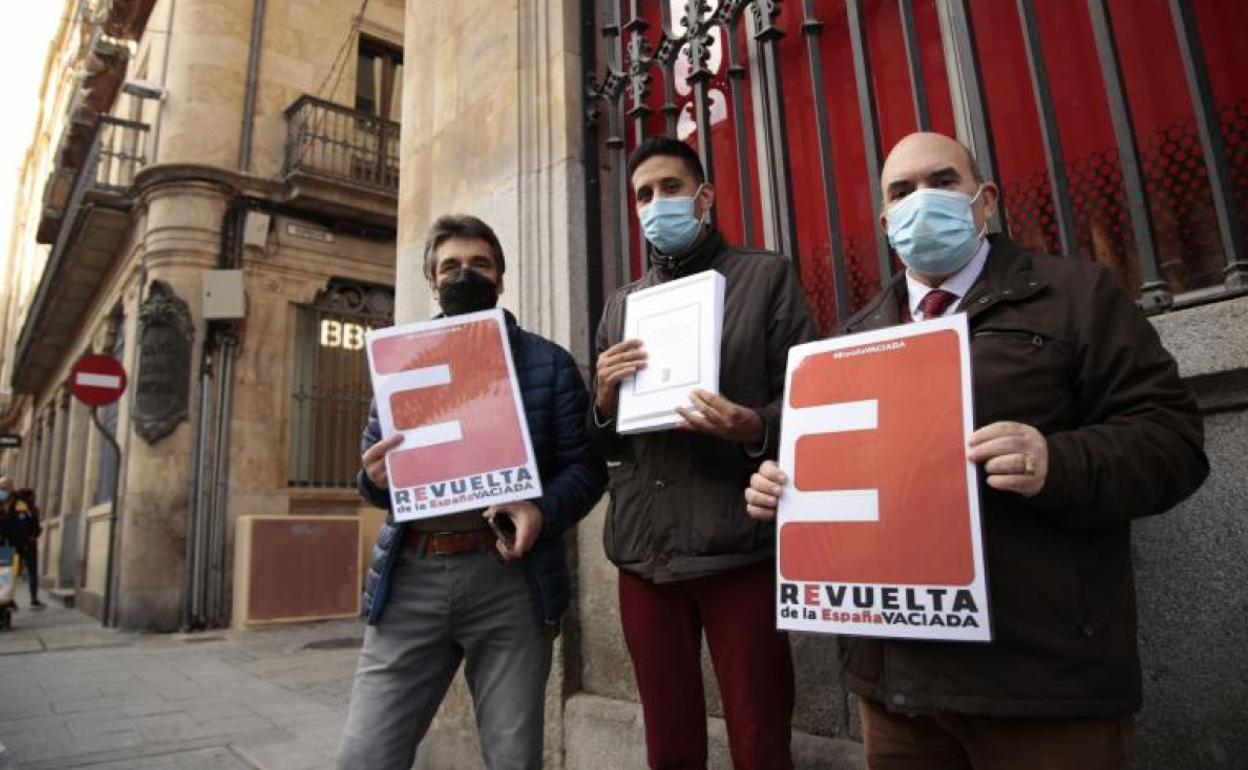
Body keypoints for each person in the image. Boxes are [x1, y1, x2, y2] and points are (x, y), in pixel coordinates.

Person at [745, 132, 1209, 770]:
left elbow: (1174, 439)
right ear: (886, 223)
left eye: (942, 181)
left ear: (984, 201)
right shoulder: (847, 342)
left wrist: (1057, 460)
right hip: (900, 695)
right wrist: (786, 487)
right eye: (901, 192)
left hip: (1041, 689)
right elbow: (843, 487)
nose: (921, 201)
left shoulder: (1078, 298)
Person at [336, 214, 607, 770]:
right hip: (410, 579)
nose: (465, 275)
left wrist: (541, 511)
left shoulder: (548, 362)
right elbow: (373, 477)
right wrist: (374, 478)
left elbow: (587, 468)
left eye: (479, 265)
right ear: (432, 283)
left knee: (513, 759)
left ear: (501, 279)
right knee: (364, 756)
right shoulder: (401, 363)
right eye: (450, 267)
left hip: (508, 580)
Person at [589, 136, 817, 770]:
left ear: (703, 197)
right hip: (643, 553)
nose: (656, 203)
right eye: (643, 195)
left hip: (735, 543)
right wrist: (603, 399)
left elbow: (809, 403)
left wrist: (751, 425)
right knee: (668, 741)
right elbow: (607, 443)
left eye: (669, 188)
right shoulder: (620, 306)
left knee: (760, 733)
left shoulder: (765, 276)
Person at [0, 478, 42, 609]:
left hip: (22, 544)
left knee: (17, 574)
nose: (3, 491)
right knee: (5, 576)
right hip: (4, 545)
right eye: (1, 488)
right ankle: (5, 601)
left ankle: (31, 599)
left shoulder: (21, 503)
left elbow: (32, 520)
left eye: (5, 487)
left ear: (11, 488)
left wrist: (33, 535)